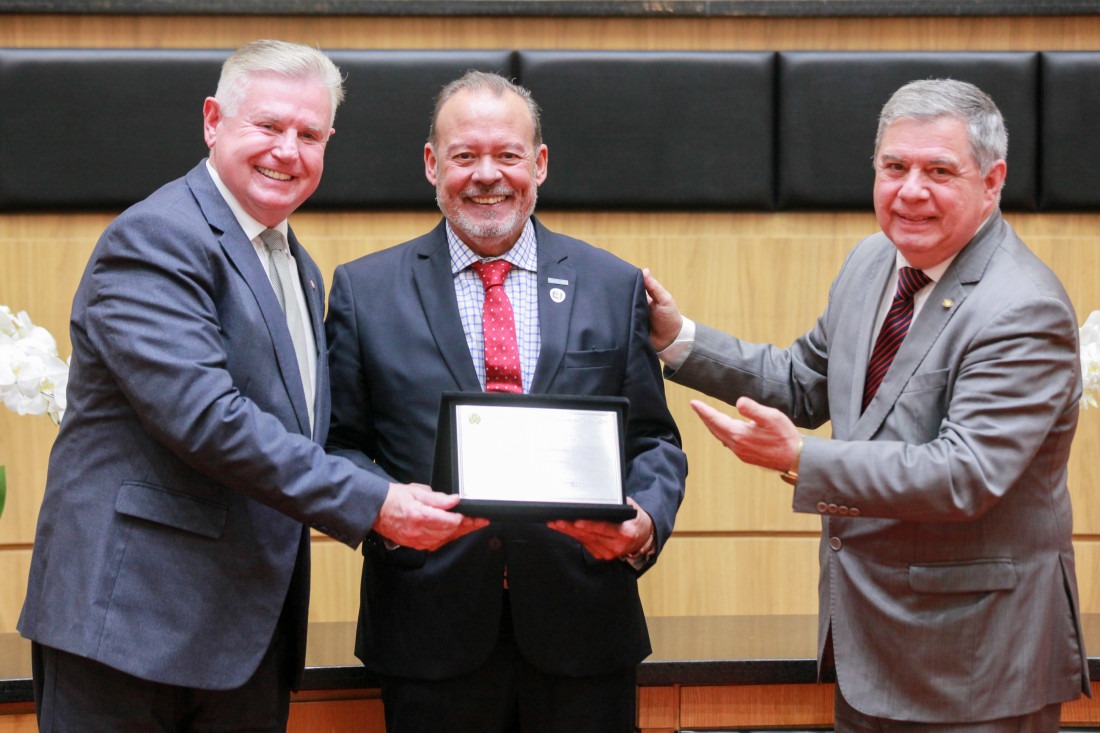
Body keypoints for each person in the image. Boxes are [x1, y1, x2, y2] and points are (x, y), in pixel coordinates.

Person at [18, 39, 480, 733]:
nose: (287, 151)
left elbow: (300, 432)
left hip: (242, 638)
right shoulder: (156, 238)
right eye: (267, 126)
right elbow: (207, 418)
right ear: (212, 121)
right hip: (130, 631)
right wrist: (375, 501)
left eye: (309, 134)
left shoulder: (298, 265)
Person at [645, 78, 1090, 731]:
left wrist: (803, 457)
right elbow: (804, 379)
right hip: (871, 647)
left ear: (992, 181)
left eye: (939, 170)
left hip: (976, 662)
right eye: (894, 167)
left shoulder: (1022, 307)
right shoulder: (873, 261)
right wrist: (677, 338)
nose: (910, 190)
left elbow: (964, 475)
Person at [324, 70, 687, 733]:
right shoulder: (362, 292)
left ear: (539, 164)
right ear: (433, 165)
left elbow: (654, 441)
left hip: (585, 631)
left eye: (508, 155)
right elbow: (340, 443)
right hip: (427, 632)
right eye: (465, 155)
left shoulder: (612, 284)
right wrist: (386, 509)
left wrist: (647, 522)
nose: (486, 174)